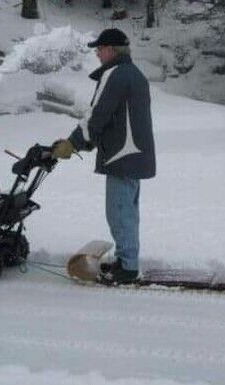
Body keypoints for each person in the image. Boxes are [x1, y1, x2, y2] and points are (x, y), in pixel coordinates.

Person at [52, 28, 156, 284]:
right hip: (134, 155)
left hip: (123, 156)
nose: (97, 54)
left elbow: (97, 116)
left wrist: (73, 143)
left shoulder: (115, 74)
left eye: (99, 49)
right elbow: (116, 119)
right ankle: (126, 260)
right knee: (127, 212)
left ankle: (127, 268)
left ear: (111, 50)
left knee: (119, 213)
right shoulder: (134, 75)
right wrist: (84, 144)